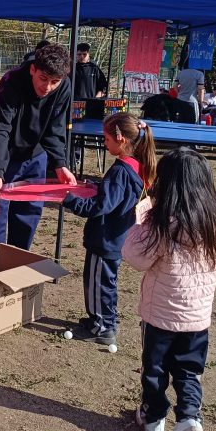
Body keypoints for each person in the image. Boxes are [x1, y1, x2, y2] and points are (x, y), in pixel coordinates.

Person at [123, 147, 216, 431]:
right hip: (198, 320)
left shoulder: (161, 226)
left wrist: (142, 217)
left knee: (155, 370)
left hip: (160, 317)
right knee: (189, 371)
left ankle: (153, 417)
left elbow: (133, 256)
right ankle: (189, 417)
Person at [63, 113, 156, 346]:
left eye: (106, 140)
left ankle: (102, 327)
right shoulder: (135, 166)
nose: (104, 144)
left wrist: (70, 200)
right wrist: (95, 187)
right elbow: (113, 195)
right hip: (117, 237)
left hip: (105, 239)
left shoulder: (120, 171)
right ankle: (104, 319)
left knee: (98, 283)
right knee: (106, 282)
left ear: (121, 139)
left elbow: (100, 207)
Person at [0, 43, 76, 249]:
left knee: (29, 212)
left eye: (54, 82)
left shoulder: (65, 86)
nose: (48, 87)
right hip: (5, 153)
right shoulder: (12, 81)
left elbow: (56, 128)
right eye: (43, 79)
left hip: (36, 155)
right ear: (33, 69)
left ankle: (18, 262)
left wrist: (60, 164)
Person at [172, 46, 205, 124]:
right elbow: (200, 88)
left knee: (180, 122)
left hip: (180, 100)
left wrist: (179, 93)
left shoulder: (181, 73)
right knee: (193, 124)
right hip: (192, 101)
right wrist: (201, 101)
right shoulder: (199, 74)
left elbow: (175, 86)